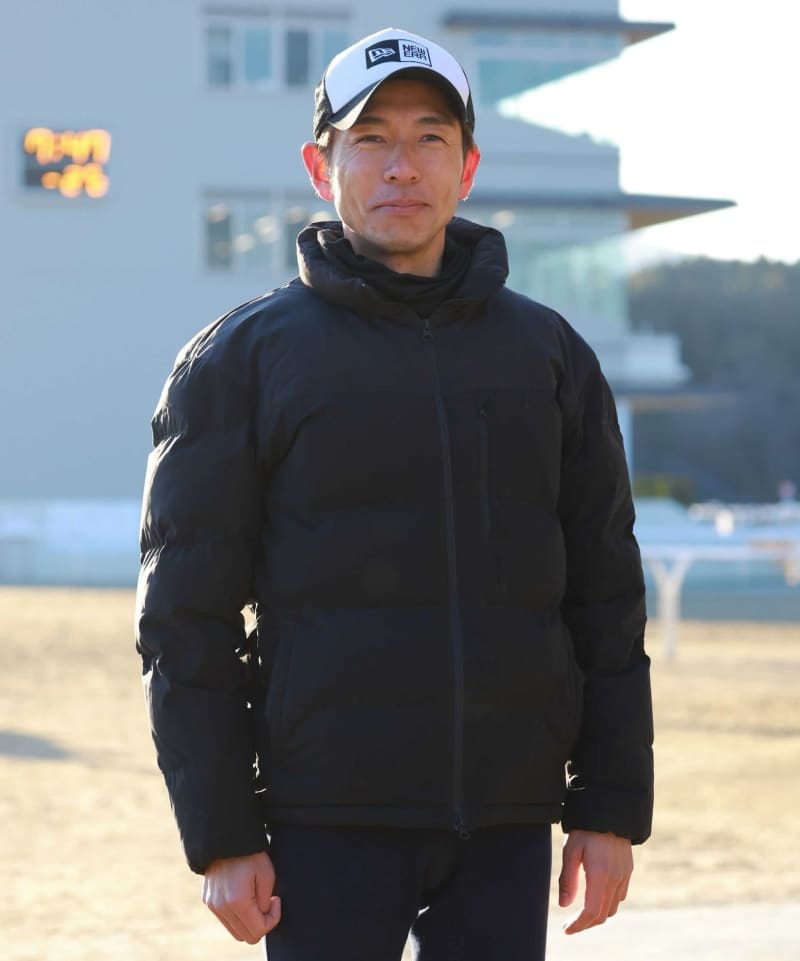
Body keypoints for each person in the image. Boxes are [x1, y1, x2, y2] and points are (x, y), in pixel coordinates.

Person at [135, 27, 653, 961]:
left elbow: (606, 598)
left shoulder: (550, 357)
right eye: (370, 139)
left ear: (468, 167)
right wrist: (221, 831)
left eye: (429, 138)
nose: (401, 166)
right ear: (320, 166)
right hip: (321, 821)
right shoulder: (239, 362)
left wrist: (608, 805)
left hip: (504, 822)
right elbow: (184, 618)